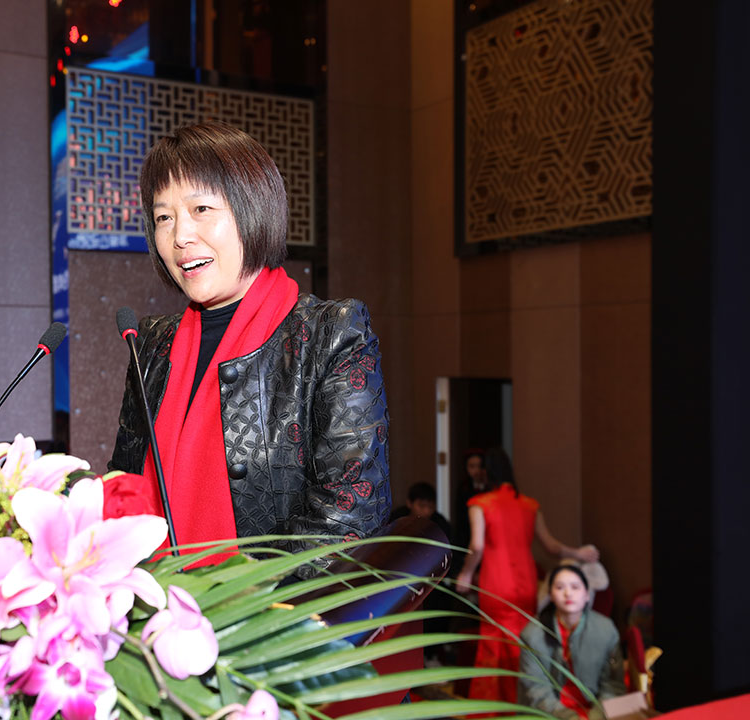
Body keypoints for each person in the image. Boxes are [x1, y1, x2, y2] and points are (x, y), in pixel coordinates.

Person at [109, 121, 392, 568]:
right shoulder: (150, 343)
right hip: (149, 600)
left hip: (267, 609)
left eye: (201, 208)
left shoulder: (330, 335)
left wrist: (235, 602)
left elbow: (349, 517)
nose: (180, 236)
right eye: (164, 217)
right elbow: (122, 488)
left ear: (252, 208)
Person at [453, 447, 599, 704]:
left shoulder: (480, 504)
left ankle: (495, 708)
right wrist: (579, 553)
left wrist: (465, 574)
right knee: (525, 640)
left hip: (496, 581)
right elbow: (551, 546)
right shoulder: (530, 506)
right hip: (525, 582)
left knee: (493, 641)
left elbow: (477, 545)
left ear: (487, 472)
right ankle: (528, 703)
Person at [519, 564, 624, 719]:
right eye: (560, 587)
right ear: (551, 595)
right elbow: (536, 689)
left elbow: (613, 685)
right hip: (549, 713)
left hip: (595, 711)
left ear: (587, 594)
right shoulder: (532, 634)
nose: (568, 593)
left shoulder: (606, 630)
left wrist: (596, 716)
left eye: (575, 587)